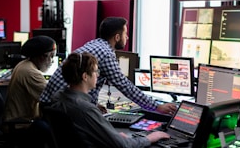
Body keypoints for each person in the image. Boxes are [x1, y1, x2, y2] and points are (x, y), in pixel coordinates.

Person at [40, 16, 177, 115]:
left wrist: (92, 105)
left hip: (51, 105)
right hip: (64, 109)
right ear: (117, 37)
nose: (127, 37)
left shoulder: (94, 44)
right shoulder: (106, 53)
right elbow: (125, 86)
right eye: (125, 34)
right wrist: (157, 107)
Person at [3, 35, 57, 148]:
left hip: (17, 122)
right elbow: (55, 96)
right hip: (21, 127)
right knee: (62, 138)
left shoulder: (24, 65)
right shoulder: (31, 73)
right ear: (42, 56)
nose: (52, 61)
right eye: (51, 57)